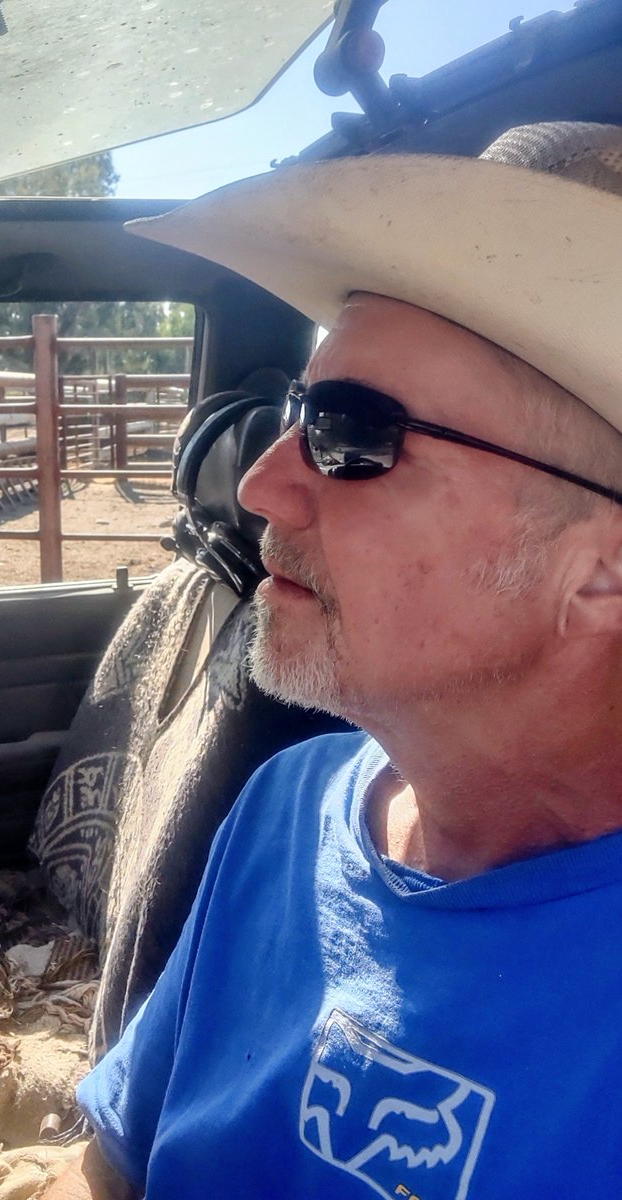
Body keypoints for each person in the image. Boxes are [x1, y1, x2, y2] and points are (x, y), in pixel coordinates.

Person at [44, 122, 622, 1197]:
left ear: (604, 573)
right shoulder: (289, 799)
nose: (262, 485)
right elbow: (113, 1168)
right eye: (295, 413)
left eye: (352, 435)